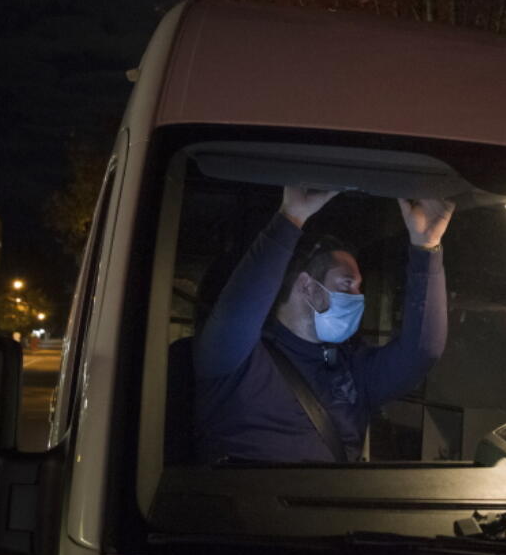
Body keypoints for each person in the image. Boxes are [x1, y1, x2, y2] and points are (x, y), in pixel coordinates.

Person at [190, 185, 454, 463]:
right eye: (346, 284)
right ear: (307, 286)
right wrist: (290, 218)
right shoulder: (235, 359)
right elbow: (238, 308)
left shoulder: (353, 368)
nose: (358, 297)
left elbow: (423, 351)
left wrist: (426, 246)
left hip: (331, 505)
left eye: (358, 287)